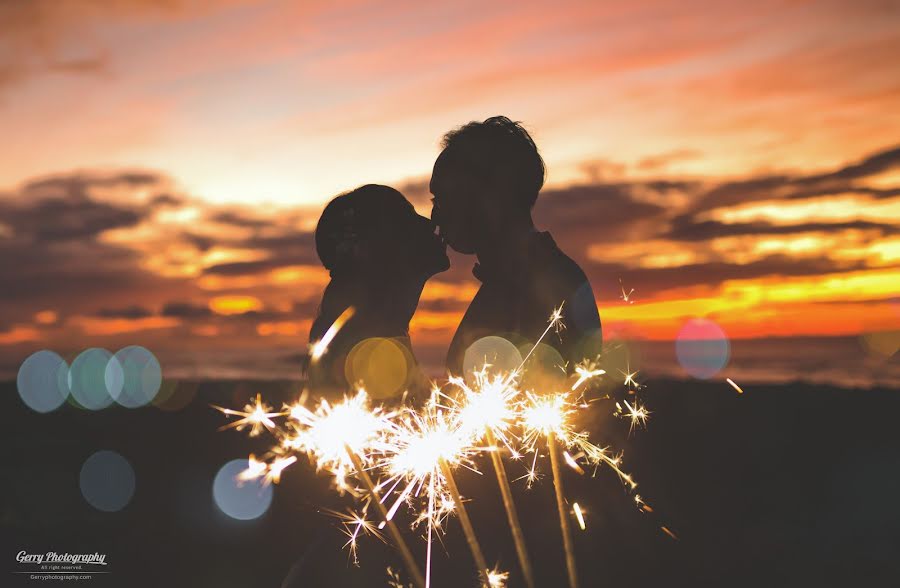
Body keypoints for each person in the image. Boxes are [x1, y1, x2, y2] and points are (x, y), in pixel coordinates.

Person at [430, 116, 602, 377]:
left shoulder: (544, 288)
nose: (435, 216)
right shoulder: (522, 278)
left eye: (445, 198)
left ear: (492, 196)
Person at [305, 184, 449, 400]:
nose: (428, 224)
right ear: (376, 249)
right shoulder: (371, 358)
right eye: (406, 220)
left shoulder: (373, 341)